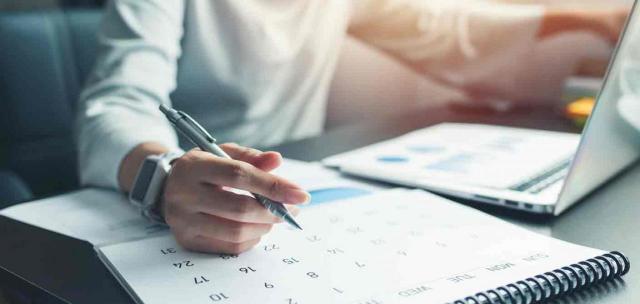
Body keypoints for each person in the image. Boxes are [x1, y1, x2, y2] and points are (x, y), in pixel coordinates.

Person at [76, 0, 629, 255]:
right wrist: (166, 173)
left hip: (295, 191)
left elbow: (445, 30)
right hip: (181, 203)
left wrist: (585, 16)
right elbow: (117, 102)